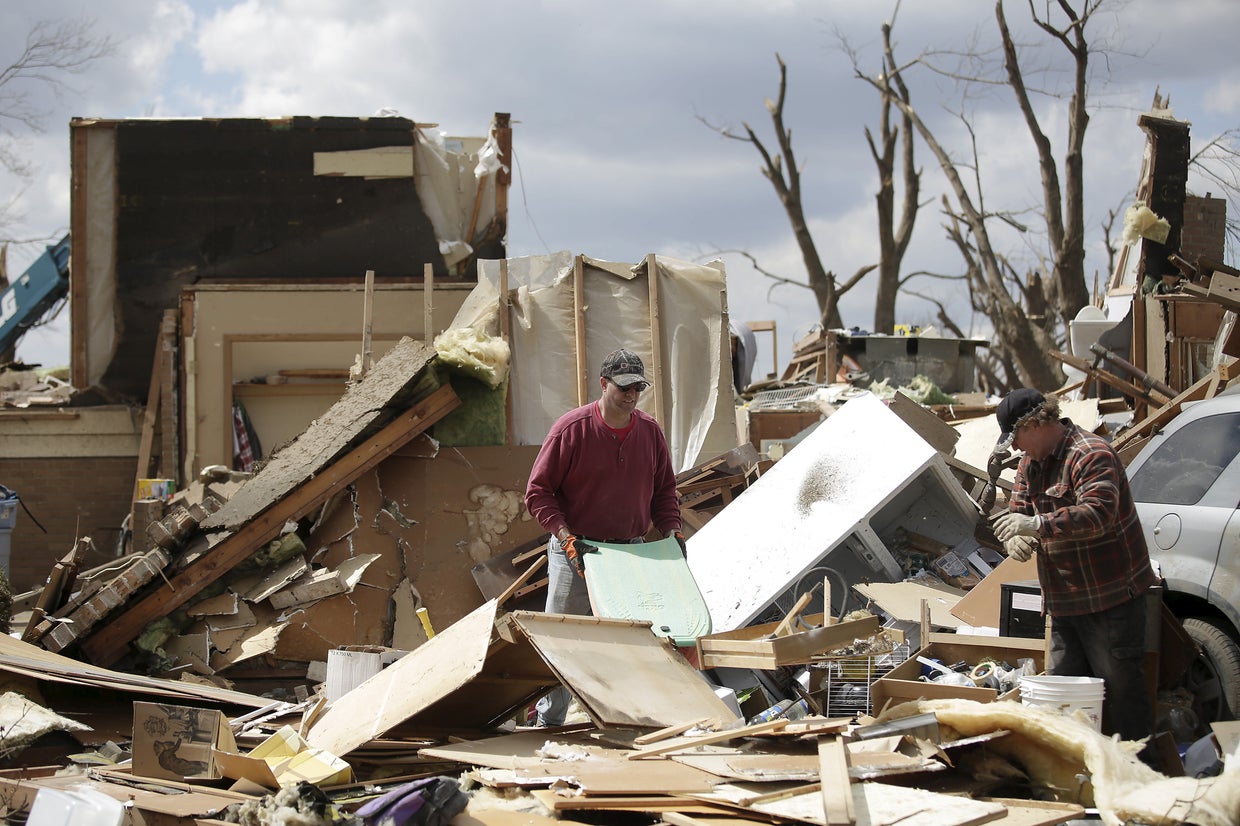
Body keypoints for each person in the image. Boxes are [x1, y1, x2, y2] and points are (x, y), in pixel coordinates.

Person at [524, 348, 685, 726]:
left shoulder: (649, 432)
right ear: (603, 384)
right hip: (577, 549)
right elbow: (538, 492)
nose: (631, 395)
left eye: (638, 388)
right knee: (562, 640)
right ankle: (549, 724)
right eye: (624, 387)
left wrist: (672, 532)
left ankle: (628, 720)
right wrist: (564, 538)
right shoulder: (571, 430)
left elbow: (664, 491)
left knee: (632, 641)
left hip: (631, 553)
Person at [992, 388, 1159, 743]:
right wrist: (1015, 537)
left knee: (1122, 695)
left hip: (1111, 600)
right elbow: (1019, 511)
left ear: (1035, 423)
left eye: (1016, 438)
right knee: (1063, 695)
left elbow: (1099, 515)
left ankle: (1143, 776)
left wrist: (1037, 525)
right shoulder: (1030, 464)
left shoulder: (1091, 454)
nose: (1016, 448)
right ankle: (1078, 775)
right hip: (1065, 603)